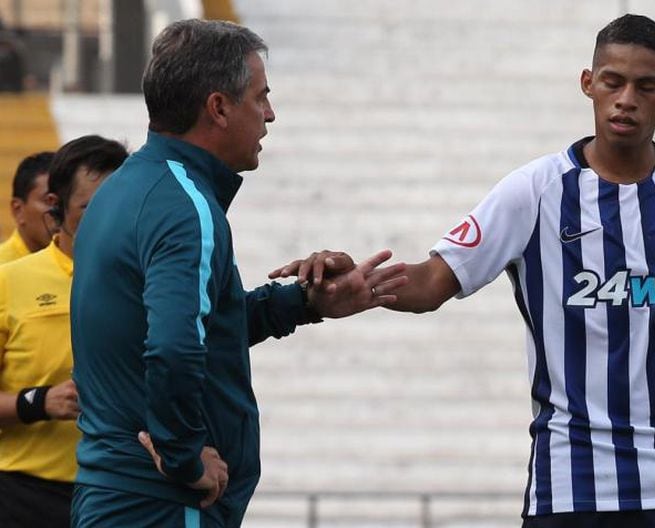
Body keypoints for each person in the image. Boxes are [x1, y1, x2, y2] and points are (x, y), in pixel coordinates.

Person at [344, 14, 655, 528]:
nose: (626, 99)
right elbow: (433, 282)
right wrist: (353, 285)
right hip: (570, 489)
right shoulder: (535, 190)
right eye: (613, 81)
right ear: (588, 83)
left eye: (645, 86)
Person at [69, 19, 407, 528]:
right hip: (162, 504)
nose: (270, 114)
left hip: (118, 495)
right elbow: (173, 348)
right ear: (219, 107)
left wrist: (306, 302)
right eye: (260, 97)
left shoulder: (127, 188)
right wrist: (184, 459)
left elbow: (188, 331)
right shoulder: (183, 206)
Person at [0, 135, 127, 527]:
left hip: (122, 491)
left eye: (120, 206)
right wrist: (39, 402)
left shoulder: (147, 280)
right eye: (92, 208)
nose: (110, 219)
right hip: (25, 495)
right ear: (57, 207)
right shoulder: (9, 281)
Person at [0, 151, 55, 264]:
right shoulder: (3, 268)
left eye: (66, 200)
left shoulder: (83, 264)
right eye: (49, 201)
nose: (60, 211)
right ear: (18, 210)